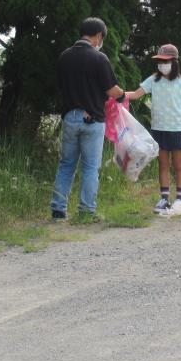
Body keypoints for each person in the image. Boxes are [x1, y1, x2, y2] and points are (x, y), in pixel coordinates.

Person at [51, 18, 125, 221]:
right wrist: (123, 95)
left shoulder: (64, 57)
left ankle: (58, 210)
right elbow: (112, 90)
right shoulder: (99, 58)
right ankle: (86, 211)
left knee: (66, 164)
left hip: (69, 117)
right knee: (91, 167)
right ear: (99, 35)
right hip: (93, 120)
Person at [126, 44, 181, 213]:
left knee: (179, 165)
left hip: (176, 130)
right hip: (158, 129)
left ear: (174, 62)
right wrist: (118, 95)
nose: (162, 64)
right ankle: (164, 199)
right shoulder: (153, 80)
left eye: (165, 61)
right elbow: (137, 94)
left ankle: (179, 198)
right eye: (159, 61)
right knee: (163, 165)